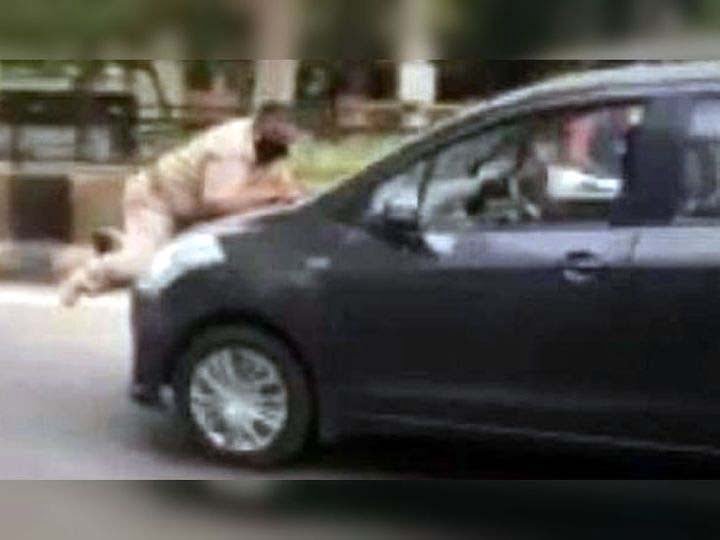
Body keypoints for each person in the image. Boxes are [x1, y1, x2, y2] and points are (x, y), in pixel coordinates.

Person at [59, 103, 307, 306]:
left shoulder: (268, 153)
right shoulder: (230, 149)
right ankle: (84, 273)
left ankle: (119, 247)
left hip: (187, 211)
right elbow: (217, 201)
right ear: (259, 134)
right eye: (279, 142)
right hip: (157, 200)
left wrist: (292, 196)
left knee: (176, 272)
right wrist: (271, 195)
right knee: (144, 266)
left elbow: (285, 190)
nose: (283, 150)